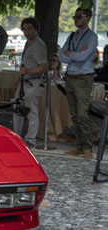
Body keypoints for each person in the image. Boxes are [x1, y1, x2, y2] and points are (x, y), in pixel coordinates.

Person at [59, 7, 98, 159]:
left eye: (79, 17)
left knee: (82, 114)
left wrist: (71, 54)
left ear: (87, 18)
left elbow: (82, 57)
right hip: (71, 77)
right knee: (75, 115)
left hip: (83, 78)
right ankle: (79, 146)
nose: (76, 20)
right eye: (74, 17)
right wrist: (73, 54)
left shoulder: (92, 37)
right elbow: (62, 56)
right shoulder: (71, 36)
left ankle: (88, 147)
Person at [13, 17, 47, 149]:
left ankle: (30, 140)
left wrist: (28, 71)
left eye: (29, 29)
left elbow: (43, 67)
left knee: (31, 112)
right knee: (17, 110)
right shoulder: (29, 43)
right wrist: (18, 79)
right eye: (24, 29)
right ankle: (17, 136)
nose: (26, 32)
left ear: (35, 29)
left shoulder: (38, 45)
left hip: (32, 82)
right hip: (24, 81)